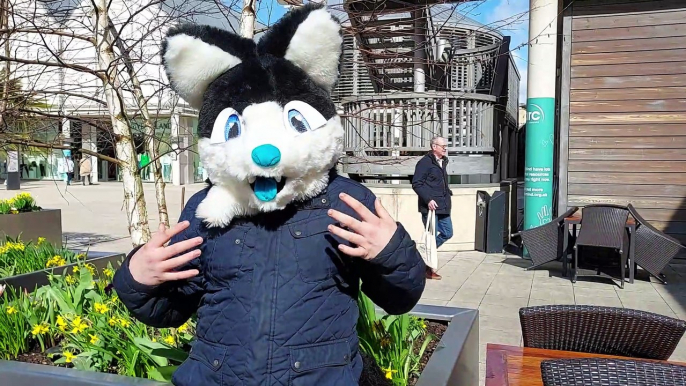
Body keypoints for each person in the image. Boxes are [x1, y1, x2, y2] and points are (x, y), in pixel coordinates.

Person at [112, 5, 426, 386]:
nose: (265, 154)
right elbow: (172, 308)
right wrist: (137, 278)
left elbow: (400, 298)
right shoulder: (205, 209)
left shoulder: (346, 202)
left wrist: (390, 250)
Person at [411, 136, 454, 280]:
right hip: (430, 207)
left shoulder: (443, 162)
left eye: (445, 146)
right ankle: (427, 269)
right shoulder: (424, 163)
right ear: (434, 146)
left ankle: (420, 257)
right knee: (430, 237)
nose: (445, 148)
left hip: (443, 206)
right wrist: (428, 199)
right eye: (443, 146)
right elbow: (417, 183)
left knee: (448, 233)